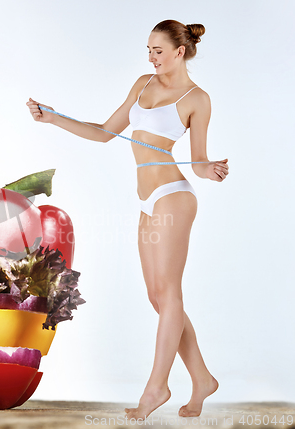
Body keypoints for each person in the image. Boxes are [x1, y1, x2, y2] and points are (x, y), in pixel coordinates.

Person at [26, 20, 228, 420]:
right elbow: (105, 132)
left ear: (179, 52)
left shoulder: (196, 98)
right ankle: (202, 378)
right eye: (148, 49)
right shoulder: (143, 83)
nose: (150, 57)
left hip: (174, 196)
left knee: (169, 294)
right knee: (158, 298)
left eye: (157, 50)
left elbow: (200, 158)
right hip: (146, 199)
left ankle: (156, 388)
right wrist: (54, 118)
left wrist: (211, 171)